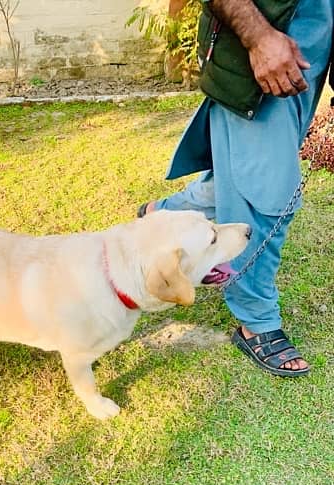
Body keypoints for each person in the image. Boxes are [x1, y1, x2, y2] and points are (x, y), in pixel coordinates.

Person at [138, 0, 334, 376]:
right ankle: (256, 321)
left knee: (235, 177)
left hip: (308, 65)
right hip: (256, 58)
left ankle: (162, 216)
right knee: (267, 196)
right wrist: (259, 38)